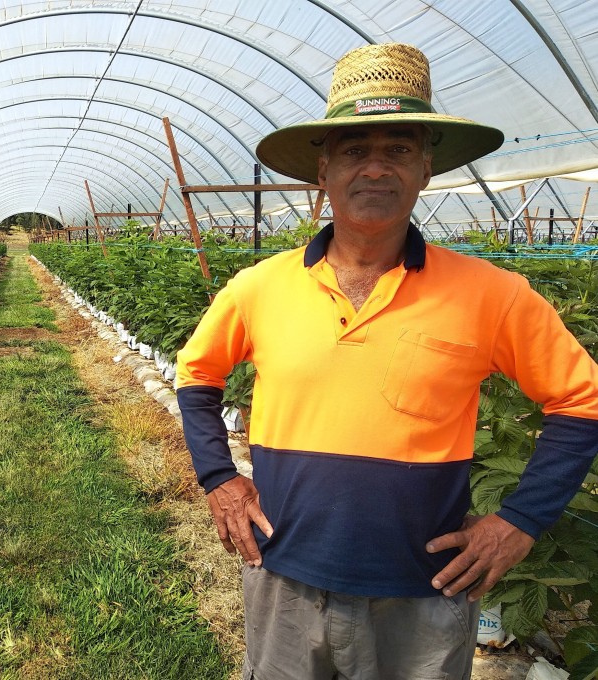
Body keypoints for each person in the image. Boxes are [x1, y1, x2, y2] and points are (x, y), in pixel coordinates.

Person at [175, 42, 598, 680]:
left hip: (424, 590)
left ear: (426, 169)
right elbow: (195, 375)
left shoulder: (492, 294)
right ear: (323, 171)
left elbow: (582, 401)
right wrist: (220, 480)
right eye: (354, 150)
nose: (376, 169)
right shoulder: (259, 287)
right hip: (284, 573)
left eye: (398, 150)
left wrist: (520, 522)